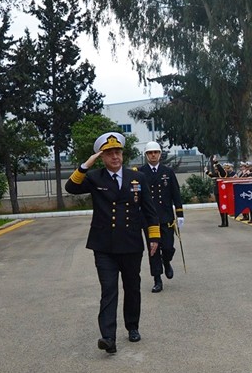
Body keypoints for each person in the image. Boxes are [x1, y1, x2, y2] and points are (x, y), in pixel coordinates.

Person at [67, 132, 160, 354]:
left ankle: (132, 326)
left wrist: (154, 237)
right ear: (102, 157)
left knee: (132, 287)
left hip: (130, 244)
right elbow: (70, 187)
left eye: (118, 152)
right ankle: (108, 337)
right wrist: (88, 162)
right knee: (108, 290)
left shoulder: (137, 178)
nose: (115, 157)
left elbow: (149, 209)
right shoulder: (95, 177)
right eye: (109, 154)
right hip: (104, 246)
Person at [138, 141, 183, 293]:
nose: (153, 155)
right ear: (146, 155)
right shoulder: (139, 172)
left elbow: (176, 194)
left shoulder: (168, 172)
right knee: (153, 250)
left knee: (168, 246)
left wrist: (180, 214)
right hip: (149, 219)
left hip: (166, 217)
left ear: (159, 154)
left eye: (156, 152)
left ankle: (167, 260)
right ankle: (157, 279)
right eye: (150, 153)